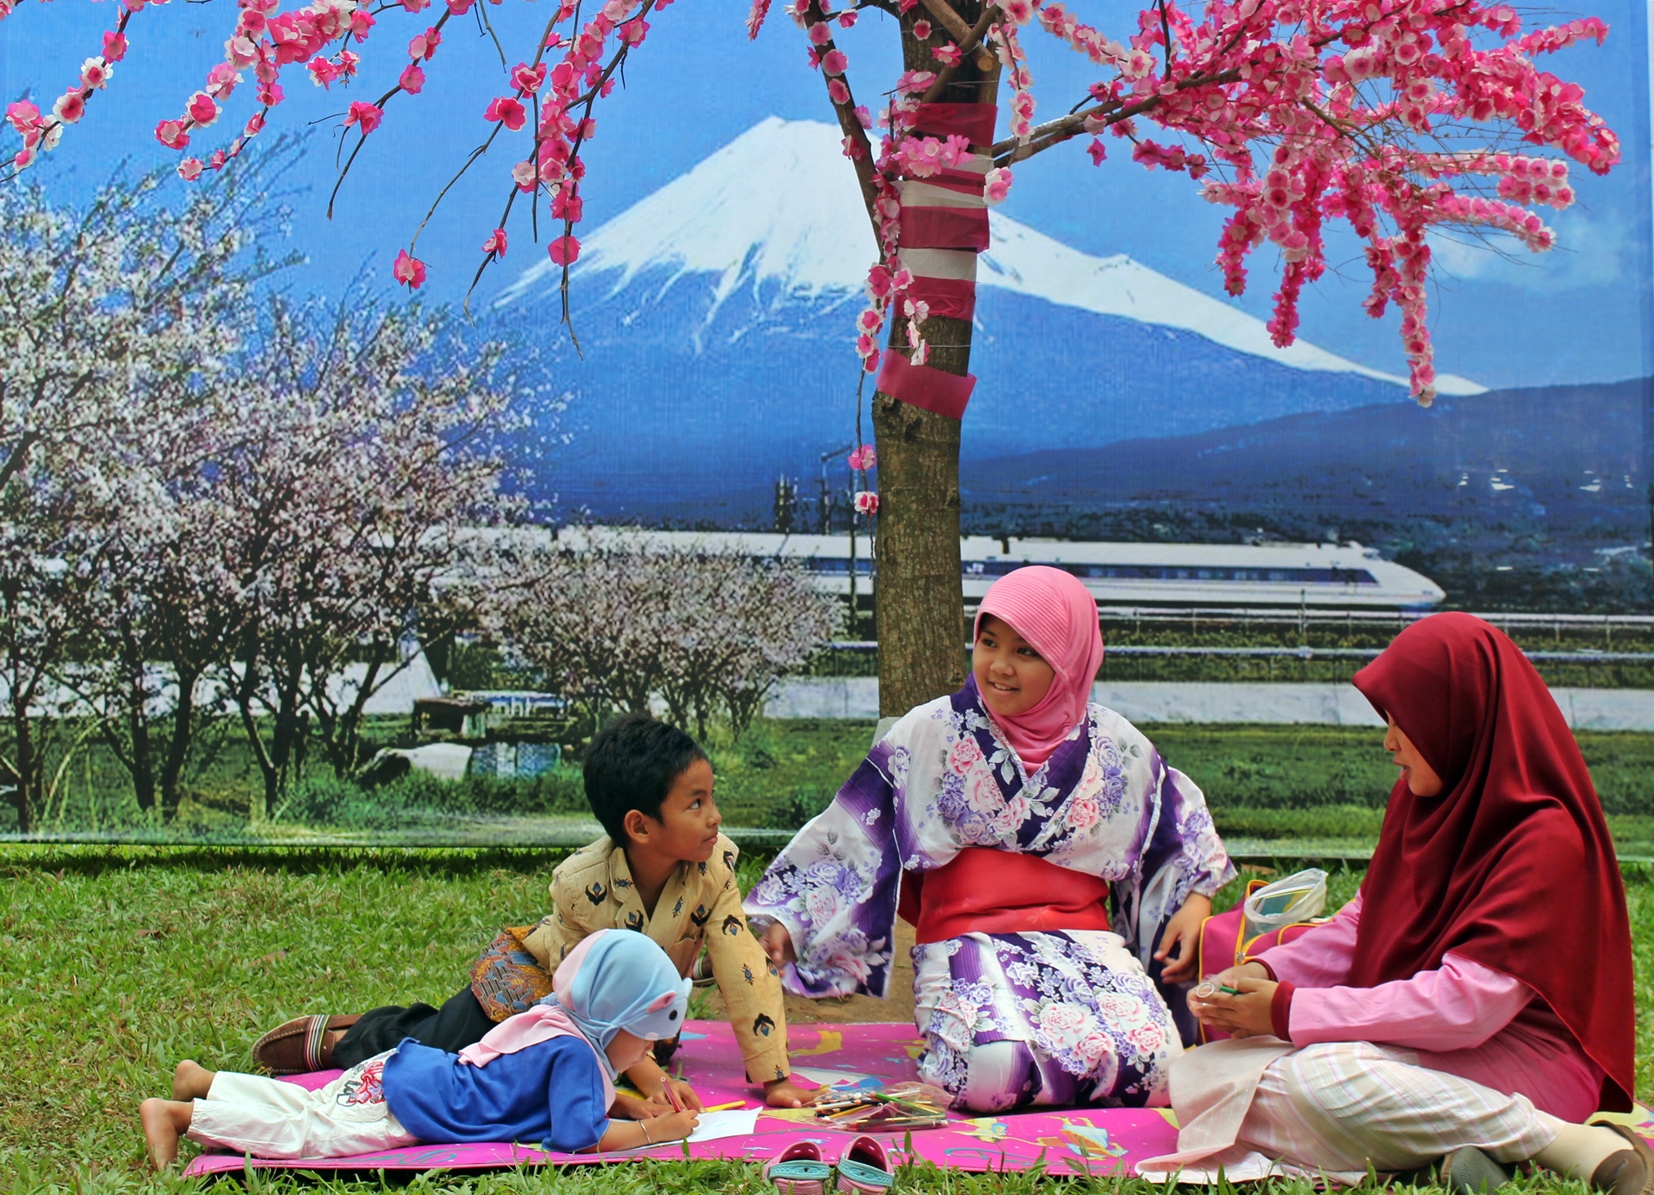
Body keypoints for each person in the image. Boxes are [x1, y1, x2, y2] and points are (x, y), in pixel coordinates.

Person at [1139, 612, 1651, 1194]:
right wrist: (1264, 971)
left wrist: (1289, 1012)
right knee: (1201, 1074)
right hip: (1421, 1049)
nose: (1388, 742)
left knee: (1318, 1082)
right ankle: (1466, 1154)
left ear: (1453, 719)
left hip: (1523, 1061)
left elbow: (1466, 1008)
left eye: (1402, 722)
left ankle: (1573, 1143)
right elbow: (1362, 923)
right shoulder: (1419, 801)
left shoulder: (1544, 836)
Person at [746, 565, 1234, 1112]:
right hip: (968, 940)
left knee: (1157, 1066)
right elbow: (856, 831)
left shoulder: (1116, 744)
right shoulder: (931, 729)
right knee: (993, 1070)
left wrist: (1195, 895)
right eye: (988, 642)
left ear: (1069, 660)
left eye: (1026, 651)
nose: (999, 666)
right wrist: (792, 919)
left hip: (1086, 944)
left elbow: (1175, 823)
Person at [254, 713, 814, 1111]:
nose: (715, 817)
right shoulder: (581, 885)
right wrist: (644, 1077)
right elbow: (579, 1003)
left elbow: (745, 970)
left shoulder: (715, 871)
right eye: (696, 803)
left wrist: (776, 1078)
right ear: (640, 826)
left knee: (539, 1077)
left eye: (711, 796)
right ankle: (351, 1038)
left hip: (622, 1025)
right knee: (449, 1054)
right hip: (536, 988)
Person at [141, 929, 700, 1169]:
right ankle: (181, 1116)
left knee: (310, 1107)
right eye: (646, 1035)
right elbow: (578, 1136)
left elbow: (561, 1097)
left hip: (404, 1071)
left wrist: (628, 1104)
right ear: (614, 1019)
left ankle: (204, 1080)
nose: (648, 1050)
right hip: (409, 1106)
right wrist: (656, 1132)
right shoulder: (579, 1055)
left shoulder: (560, 1021)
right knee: (310, 1136)